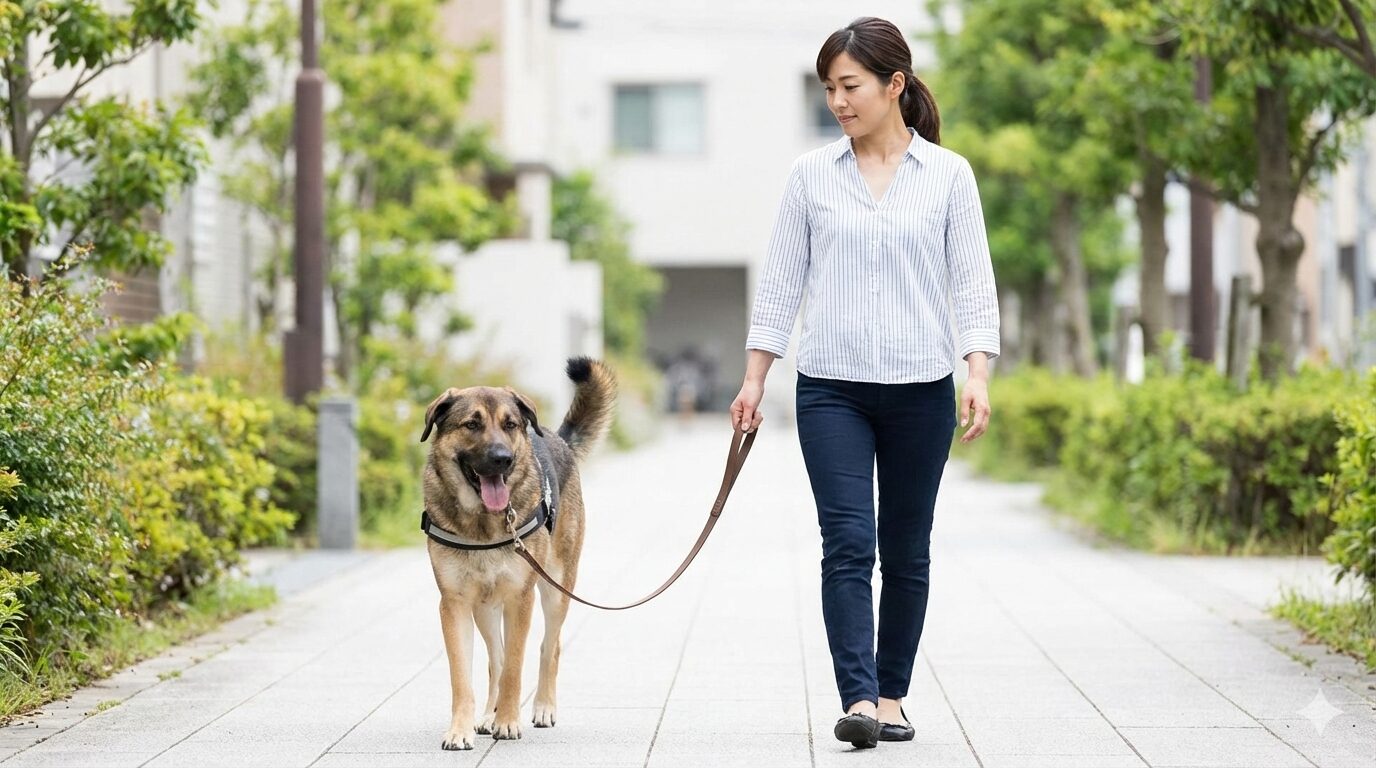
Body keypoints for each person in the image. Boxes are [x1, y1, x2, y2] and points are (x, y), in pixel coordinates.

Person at [729, 17, 1000, 750]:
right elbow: (782, 284)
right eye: (828, 90)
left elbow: (973, 285)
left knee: (907, 548)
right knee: (848, 542)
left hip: (920, 390)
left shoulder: (948, 176)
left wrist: (976, 373)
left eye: (849, 86)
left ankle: (891, 696)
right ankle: (856, 698)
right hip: (831, 391)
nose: (837, 101)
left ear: (894, 85)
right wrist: (756, 378)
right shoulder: (810, 177)